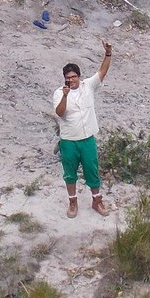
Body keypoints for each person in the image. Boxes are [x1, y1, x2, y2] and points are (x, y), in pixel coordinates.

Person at [53, 41, 112, 218]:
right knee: (70, 174)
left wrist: (108, 54)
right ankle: (73, 202)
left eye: (73, 77)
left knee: (92, 170)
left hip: (87, 138)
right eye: (68, 77)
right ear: (65, 78)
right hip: (69, 140)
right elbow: (59, 113)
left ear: (79, 76)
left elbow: (102, 72)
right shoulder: (59, 92)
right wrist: (65, 95)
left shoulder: (88, 86)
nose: (71, 80)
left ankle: (97, 200)